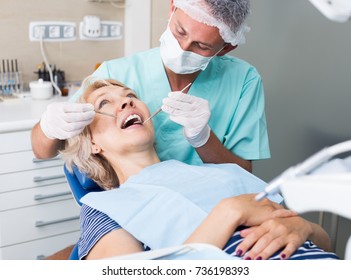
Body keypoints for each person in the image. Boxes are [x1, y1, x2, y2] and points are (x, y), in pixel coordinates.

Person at [60, 77, 339, 260]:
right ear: (92, 142)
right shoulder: (105, 207)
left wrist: (304, 228)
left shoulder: (224, 171)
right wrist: (228, 213)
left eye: (130, 95)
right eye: (104, 103)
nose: (127, 101)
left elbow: (323, 240)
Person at [32, 0, 269, 173]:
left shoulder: (243, 80)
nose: (183, 47)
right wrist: (49, 127)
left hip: (209, 204)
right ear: (172, 8)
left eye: (201, 46)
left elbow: (242, 174)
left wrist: (202, 138)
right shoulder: (116, 74)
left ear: (226, 48)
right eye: (179, 31)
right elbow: (42, 150)